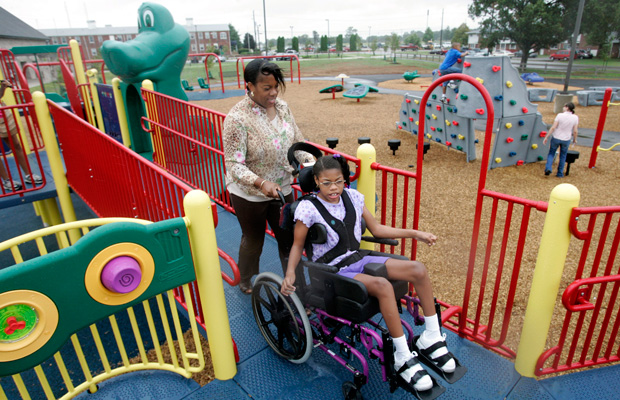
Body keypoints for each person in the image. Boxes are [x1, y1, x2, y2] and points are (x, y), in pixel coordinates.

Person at [281, 154, 456, 392]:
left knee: (418, 269)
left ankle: (431, 337)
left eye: (339, 181)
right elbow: (297, 245)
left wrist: (415, 233)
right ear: (316, 181)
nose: (333, 188)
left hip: (357, 257)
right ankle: (403, 356)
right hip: (331, 270)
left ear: (345, 180)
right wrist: (290, 272)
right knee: (383, 286)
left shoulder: (352, 197)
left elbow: (376, 228)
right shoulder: (307, 208)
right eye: (326, 183)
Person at [222, 59, 312, 294]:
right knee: (253, 241)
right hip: (249, 193)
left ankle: (295, 286)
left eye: (276, 86)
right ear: (250, 85)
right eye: (266, 88)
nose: (273, 93)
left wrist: (314, 164)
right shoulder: (237, 118)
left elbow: (296, 143)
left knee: (289, 240)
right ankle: (246, 277)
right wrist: (261, 183)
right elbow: (233, 163)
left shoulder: (282, 107)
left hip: (282, 188)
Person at [0, 79, 42, 192]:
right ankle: (6, 180)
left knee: (16, 144)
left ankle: (29, 174)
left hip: (2, 115)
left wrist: (3, 88)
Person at [543, 102, 578, 178]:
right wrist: (574, 139)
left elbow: (553, 127)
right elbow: (575, 131)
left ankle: (548, 168)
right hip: (566, 139)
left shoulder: (559, 115)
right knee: (563, 156)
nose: (563, 107)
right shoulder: (575, 117)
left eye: (564, 106)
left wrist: (547, 136)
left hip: (556, 137)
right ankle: (560, 173)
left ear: (567, 107)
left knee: (551, 153)